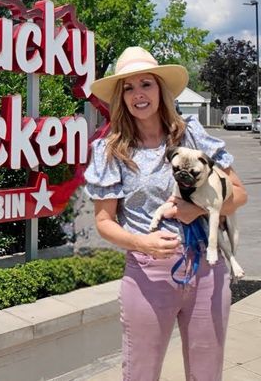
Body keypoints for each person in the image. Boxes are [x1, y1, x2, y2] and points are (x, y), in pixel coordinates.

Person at [84, 46, 247, 380]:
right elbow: (103, 222)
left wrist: (196, 207)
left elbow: (239, 194)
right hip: (148, 276)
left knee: (207, 373)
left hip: (207, 271)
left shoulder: (191, 134)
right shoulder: (111, 148)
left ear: (160, 89)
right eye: (128, 88)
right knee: (141, 373)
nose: (138, 94)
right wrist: (141, 243)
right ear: (120, 97)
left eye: (146, 84)